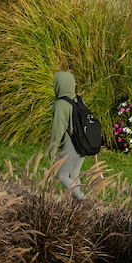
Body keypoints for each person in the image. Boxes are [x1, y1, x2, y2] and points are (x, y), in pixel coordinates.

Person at [48, 71, 86, 200]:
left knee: (61, 175)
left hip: (72, 143)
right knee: (74, 173)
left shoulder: (60, 104)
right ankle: (77, 204)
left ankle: (82, 199)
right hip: (84, 142)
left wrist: (52, 150)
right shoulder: (79, 100)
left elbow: (57, 130)